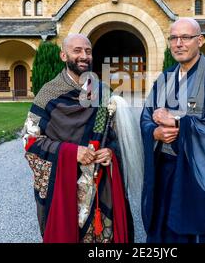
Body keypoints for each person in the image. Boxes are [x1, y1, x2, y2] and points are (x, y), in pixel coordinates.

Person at [22, 34, 134, 243]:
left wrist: (110, 152)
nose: (84, 56)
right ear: (64, 55)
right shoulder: (48, 94)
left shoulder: (103, 93)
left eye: (88, 51)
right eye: (77, 51)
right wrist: (71, 153)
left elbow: (114, 136)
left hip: (100, 186)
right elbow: (30, 142)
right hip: (65, 189)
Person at [140, 18, 205, 243]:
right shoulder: (165, 78)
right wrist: (154, 133)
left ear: (200, 40)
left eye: (186, 37)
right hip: (166, 171)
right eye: (173, 38)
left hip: (197, 174)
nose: (178, 43)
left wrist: (176, 122)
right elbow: (147, 116)